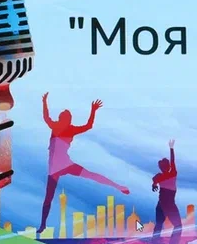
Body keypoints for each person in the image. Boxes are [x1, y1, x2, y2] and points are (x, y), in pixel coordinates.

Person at [38, 92, 129, 234]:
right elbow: (46, 117)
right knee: (48, 197)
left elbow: (88, 126)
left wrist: (93, 111)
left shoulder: (68, 128)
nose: (64, 120)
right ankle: (43, 225)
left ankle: (118, 186)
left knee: (90, 175)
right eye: (63, 118)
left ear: (68, 120)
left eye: (66, 118)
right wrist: (44, 102)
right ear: (61, 119)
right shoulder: (56, 126)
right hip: (55, 168)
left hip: (64, 164)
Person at [151, 139, 184, 244]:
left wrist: (154, 184)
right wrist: (171, 148)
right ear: (168, 166)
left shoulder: (159, 177)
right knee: (178, 225)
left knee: (158, 225)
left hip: (160, 204)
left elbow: (154, 180)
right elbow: (173, 160)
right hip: (169, 204)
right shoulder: (172, 173)